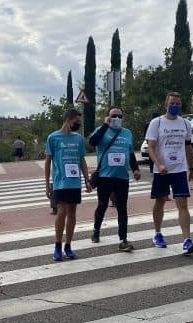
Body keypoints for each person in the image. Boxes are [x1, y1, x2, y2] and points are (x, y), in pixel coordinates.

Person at [145, 91, 193, 254]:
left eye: (177, 104)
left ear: (180, 105)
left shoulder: (185, 124)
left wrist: (191, 168)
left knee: (183, 203)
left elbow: (188, 146)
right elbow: (151, 148)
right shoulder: (157, 123)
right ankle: (158, 233)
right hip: (161, 171)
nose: (174, 106)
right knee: (160, 202)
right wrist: (159, 165)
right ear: (165, 104)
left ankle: (187, 240)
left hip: (179, 169)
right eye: (171, 103)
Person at [89, 106, 141, 251]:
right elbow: (92, 142)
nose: (117, 119)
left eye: (119, 116)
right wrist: (105, 125)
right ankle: (96, 231)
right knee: (102, 205)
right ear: (108, 117)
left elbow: (130, 153)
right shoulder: (102, 130)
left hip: (122, 178)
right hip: (105, 177)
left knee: (122, 209)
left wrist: (135, 169)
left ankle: (123, 239)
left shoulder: (127, 133)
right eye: (114, 116)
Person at [44, 107, 92, 261]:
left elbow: (82, 160)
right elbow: (47, 162)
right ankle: (57, 245)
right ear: (68, 119)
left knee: (72, 213)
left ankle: (68, 245)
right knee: (62, 212)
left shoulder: (78, 138)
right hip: (60, 182)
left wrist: (87, 179)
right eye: (76, 121)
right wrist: (47, 184)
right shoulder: (53, 138)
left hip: (74, 182)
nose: (78, 124)